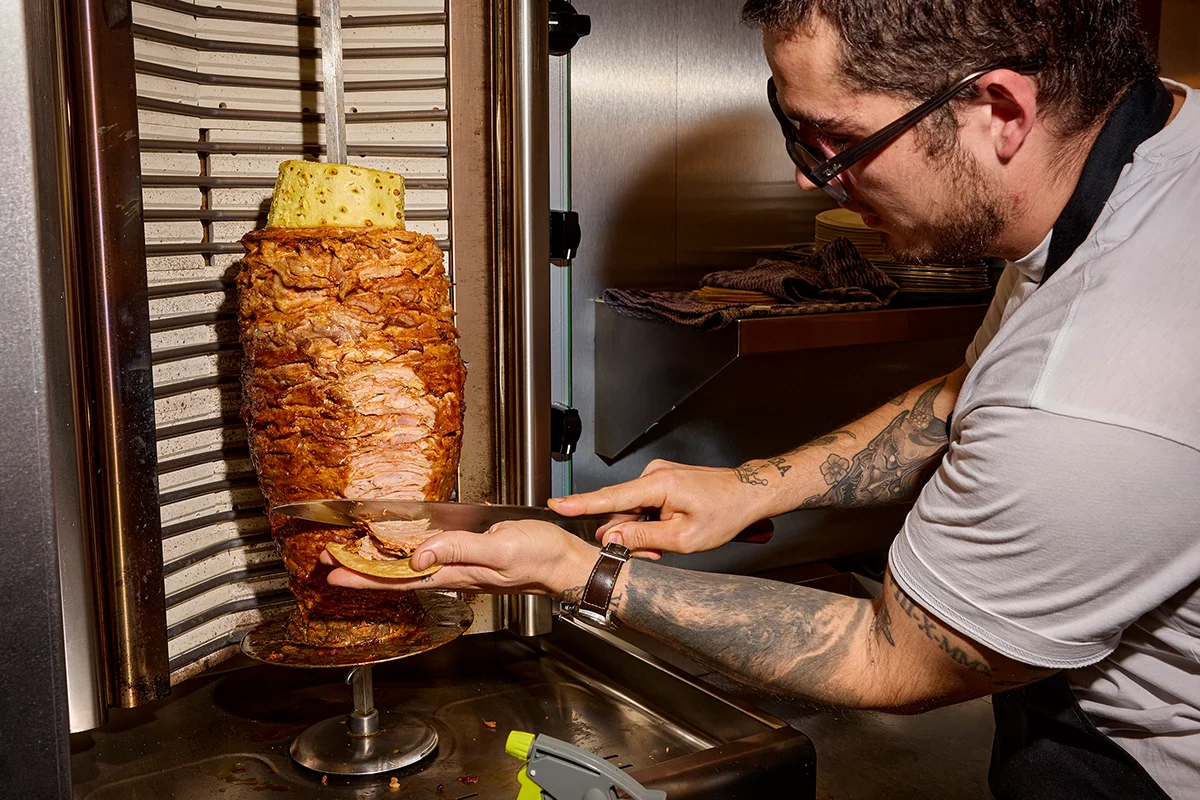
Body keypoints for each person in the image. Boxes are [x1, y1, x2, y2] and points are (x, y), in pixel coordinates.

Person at [324, 1, 1199, 796]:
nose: (810, 180)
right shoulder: (1149, 151)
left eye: (835, 141)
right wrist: (756, 486)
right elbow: (966, 394)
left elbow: (892, 659)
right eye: (793, 129)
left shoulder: (1087, 387)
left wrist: (574, 572)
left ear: (999, 112)